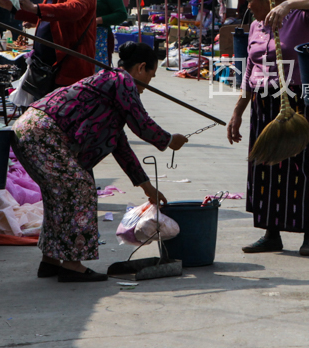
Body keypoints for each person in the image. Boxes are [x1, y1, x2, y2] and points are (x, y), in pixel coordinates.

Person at [11, 42, 189, 282]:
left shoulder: (110, 87)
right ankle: (71, 265)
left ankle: (51, 260)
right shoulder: (122, 80)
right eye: (150, 76)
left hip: (30, 130)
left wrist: (148, 188)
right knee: (80, 189)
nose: (147, 86)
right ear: (141, 67)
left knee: (61, 195)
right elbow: (142, 123)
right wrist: (168, 140)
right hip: (44, 133)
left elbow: (121, 146)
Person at [226, 0, 309, 257]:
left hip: (298, 101)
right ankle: (271, 234)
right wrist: (238, 112)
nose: (248, 5)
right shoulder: (255, 25)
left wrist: (288, 5)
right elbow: (251, 72)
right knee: (266, 166)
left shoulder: (301, 18)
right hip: (264, 105)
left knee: (303, 166)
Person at [80, 0, 127, 69]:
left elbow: (121, 14)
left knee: (99, 75)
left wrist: (99, 20)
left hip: (101, 38)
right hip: (82, 37)